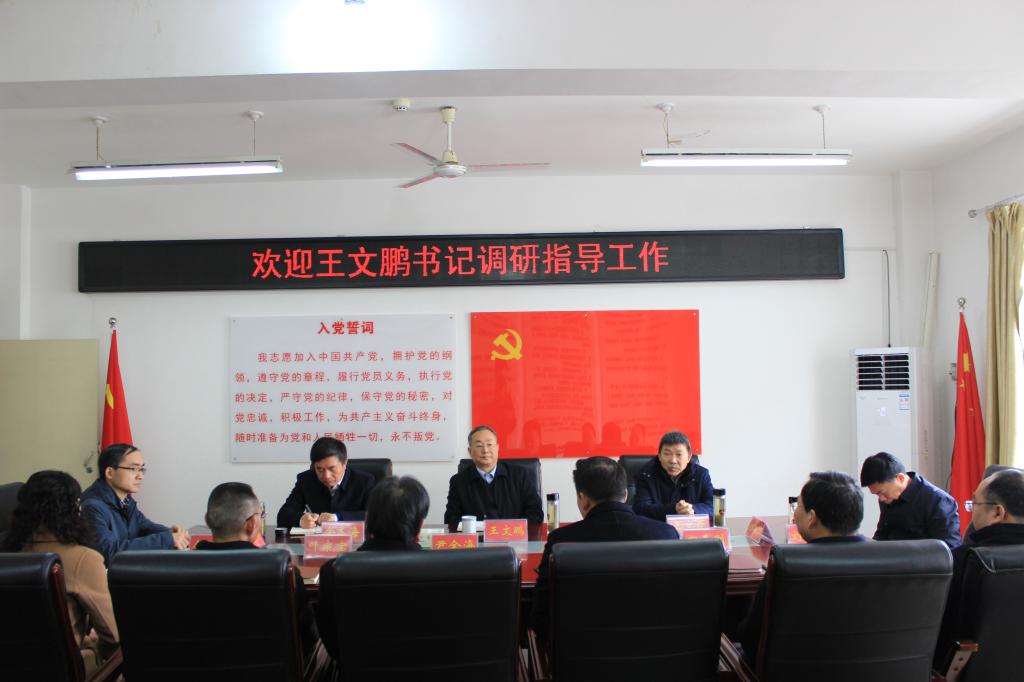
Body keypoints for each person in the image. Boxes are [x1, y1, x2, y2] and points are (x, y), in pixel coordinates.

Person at [531, 456, 678, 641]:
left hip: (581, 653)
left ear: (583, 499)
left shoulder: (561, 541)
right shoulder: (666, 534)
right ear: (625, 495)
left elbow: (541, 616)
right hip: (655, 650)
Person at [735, 471, 867, 664]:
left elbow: (751, 639)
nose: (795, 513)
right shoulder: (890, 560)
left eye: (798, 505)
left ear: (812, 517)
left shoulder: (785, 564)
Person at [2, 470, 120, 668]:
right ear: (72, 510)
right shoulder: (84, 559)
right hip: (65, 669)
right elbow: (114, 637)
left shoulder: (7, 551)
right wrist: (92, 644)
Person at [196, 482, 320, 659]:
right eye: (261, 515)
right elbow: (308, 638)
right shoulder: (282, 570)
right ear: (252, 524)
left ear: (207, 520)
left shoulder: (178, 569)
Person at [317, 476, 430, 662]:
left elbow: (332, 643)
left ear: (367, 520)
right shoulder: (445, 571)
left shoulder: (334, 571)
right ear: (420, 527)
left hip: (357, 670)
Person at [935, 469, 1024, 664]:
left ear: (997, 512)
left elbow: (939, 634)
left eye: (974, 503)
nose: (971, 509)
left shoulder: (960, 561)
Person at [80, 443, 189, 566]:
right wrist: (167, 539)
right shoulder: (92, 507)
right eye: (133, 469)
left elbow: (144, 527)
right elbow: (108, 553)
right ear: (110, 473)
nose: (140, 476)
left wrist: (171, 533)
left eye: (142, 469)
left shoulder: (125, 501)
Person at [443, 425, 544, 529]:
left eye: (489, 444)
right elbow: (451, 519)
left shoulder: (520, 475)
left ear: (497, 448)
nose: (485, 450)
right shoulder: (459, 482)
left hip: (513, 536)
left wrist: (509, 529)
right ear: (470, 451)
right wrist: (479, 528)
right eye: (479, 445)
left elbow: (536, 514)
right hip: (476, 537)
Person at [860, 451, 961, 549]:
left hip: (925, 559)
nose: (881, 498)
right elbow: (882, 536)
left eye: (882, 492)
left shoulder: (938, 501)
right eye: (877, 494)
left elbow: (948, 549)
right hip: (894, 558)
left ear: (900, 478)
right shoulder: (888, 499)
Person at [277, 436, 376, 529]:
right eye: (319, 469)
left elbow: (374, 515)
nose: (326, 476)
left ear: (345, 462)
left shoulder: (364, 481)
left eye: (332, 468)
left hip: (354, 540)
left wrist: (337, 517)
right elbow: (283, 515)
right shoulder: (306, 480)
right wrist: (300, 519)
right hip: (317, 540)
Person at [633, 431, 714, 521]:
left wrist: (692, 509)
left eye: (679, 454)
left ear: (688, 457)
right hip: (658, 527)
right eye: (667, 454)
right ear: (659, 456)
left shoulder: (701, 474)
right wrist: (674, 509)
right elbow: (640, 508)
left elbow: (713, 506)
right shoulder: (646, 474)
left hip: (691, 527)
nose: (673, 461)